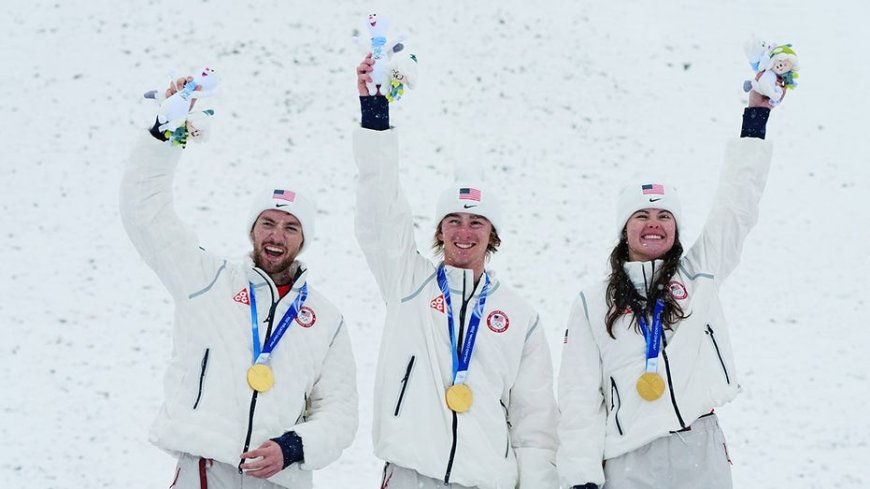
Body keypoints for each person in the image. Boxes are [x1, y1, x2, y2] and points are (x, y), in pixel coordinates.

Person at [120, 75, 358, 489]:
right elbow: (145, 214)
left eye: (290, 227)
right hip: (205, 471)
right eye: (267, 222)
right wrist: (164, 133)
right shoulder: (206, 281)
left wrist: (293, 447)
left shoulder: (326, 320)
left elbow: (340, 414)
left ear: (304, 240)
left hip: (278, 479)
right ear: (252, 229)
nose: (276, 236)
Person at [556, 72, 789, 489]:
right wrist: (580, 477)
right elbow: (579, 398)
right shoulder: (592, 303)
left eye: (665, 216)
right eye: (641, 215)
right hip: (628, 458)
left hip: (698, 448)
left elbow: (736, 206)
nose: (653, 225)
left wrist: (755, 116)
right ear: (624, 228)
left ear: (676, 229)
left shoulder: (700, 273)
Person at [353, 55, 559, 489]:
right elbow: (380, 210)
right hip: (411, 475)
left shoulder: (519, 317)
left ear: (493, 235)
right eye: (454, 221)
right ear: (439, 230)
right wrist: (375, 120)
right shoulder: (408, 284)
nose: (464, 233)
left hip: (484, 481)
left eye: (476, 223)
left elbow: (534, 422)